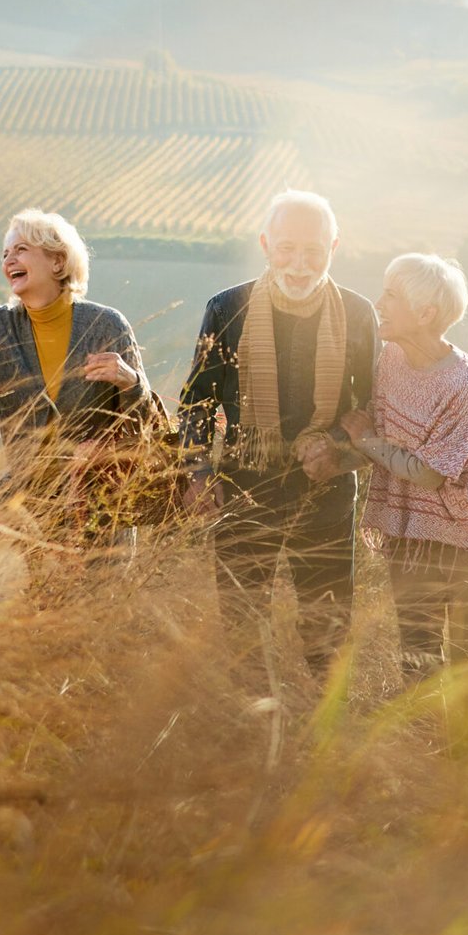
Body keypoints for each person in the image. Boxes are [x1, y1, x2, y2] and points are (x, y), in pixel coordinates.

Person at [179, 190, 376, 680]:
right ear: (266, 245)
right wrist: (199, 472)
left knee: (326, 629)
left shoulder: (357, 314)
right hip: (245, 486)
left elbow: (370, 408)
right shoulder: (227, 308)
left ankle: (323, 739)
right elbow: (197, 401)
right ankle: (252, 734)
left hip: (326, 490)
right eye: (287, 248)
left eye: (313, 250)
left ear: (334, 247)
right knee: (243, 629)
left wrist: (337, 449)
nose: (299, 263)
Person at [305, 251, 468, 684]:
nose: (378, 303)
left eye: (391, 295)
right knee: (418, 667)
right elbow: (382, 447)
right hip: (412, 540)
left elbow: (428, 472)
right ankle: (423, 753)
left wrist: (366, 441)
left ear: (426, 312)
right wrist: (335, 462)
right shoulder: (390, 362)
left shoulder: (466, 383)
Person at [0, 209, 153, 541]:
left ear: (57, 262)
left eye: (21, 249)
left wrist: (132, 382)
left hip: (102, 518)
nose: (10, 258)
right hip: (25, 518)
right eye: (5, 253)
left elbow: (147, 425)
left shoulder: (106, 326)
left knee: (100, 595)